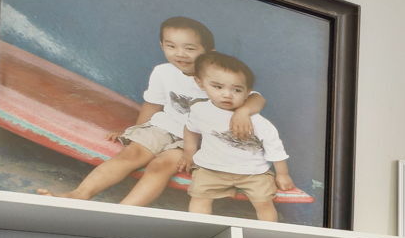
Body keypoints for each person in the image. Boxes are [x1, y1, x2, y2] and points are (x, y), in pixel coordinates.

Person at [43, 16, 260, 206]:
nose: (180, 54)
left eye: (190, 48)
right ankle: (79, 194)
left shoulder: (219, 76)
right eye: (171, 46)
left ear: (208, 52)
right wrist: (134, 130)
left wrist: (243, 112)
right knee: (131, 154)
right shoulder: (162, 72)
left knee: (161, 166)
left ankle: (123, 212)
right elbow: (152, 104)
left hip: (194, 139)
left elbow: (256, 98)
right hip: (163, 127)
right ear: (162, 45)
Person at [183, 52, 293, 220]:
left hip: (254, 173)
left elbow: (275, 149)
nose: (227, 94)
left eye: (237, 90)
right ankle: (197, 228)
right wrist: (189, 151)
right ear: (201, 83)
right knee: (199, 197)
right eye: (218, 87)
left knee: (264, 203)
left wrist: (282, 174)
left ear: (248, 92)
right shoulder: (200, 110)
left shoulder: (258, 122)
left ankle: (270, 233)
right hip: (210, 169)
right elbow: (191, 128)